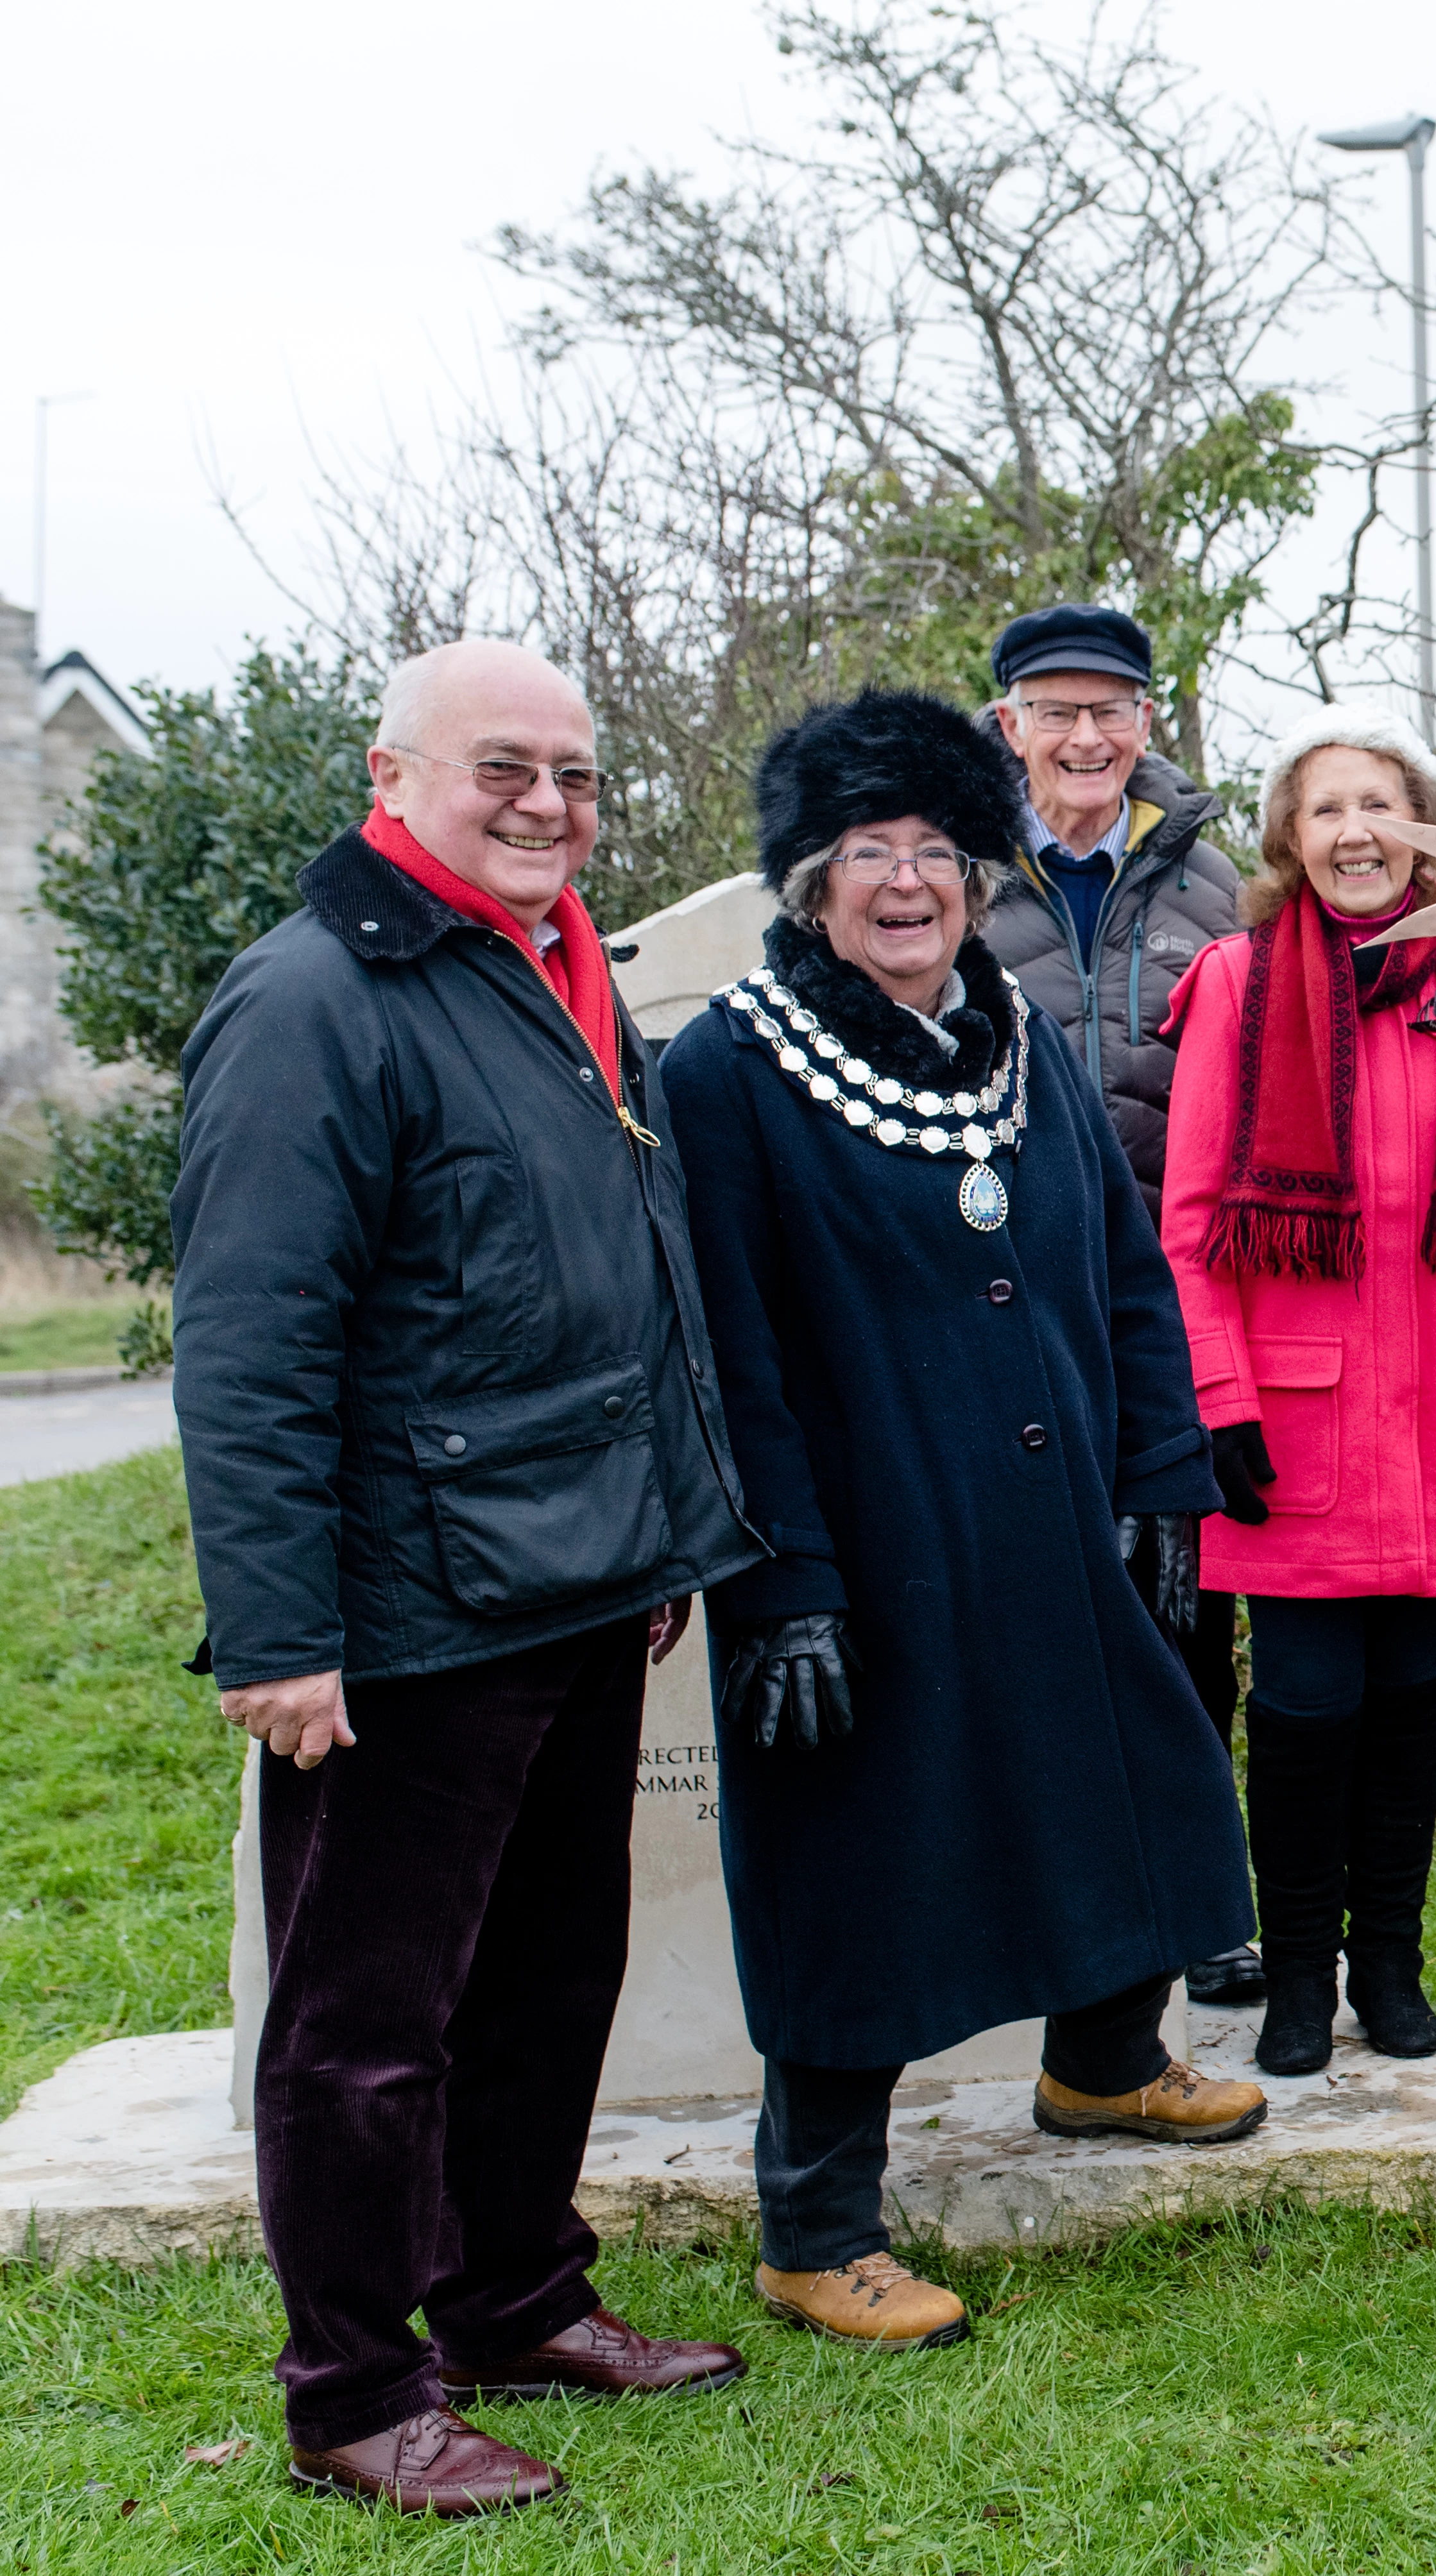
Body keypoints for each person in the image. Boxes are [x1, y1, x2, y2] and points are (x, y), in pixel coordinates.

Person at [173, 639, 762, 2516]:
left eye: (576, 777)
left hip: (584, 1580)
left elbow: (613, 1278)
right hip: (410, 1608)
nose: (549, 805)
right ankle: (356, 2394)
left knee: (545, 1979)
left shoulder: (555, 968)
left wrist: (664, 1534)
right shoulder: (317, 998)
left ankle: (512, 2297)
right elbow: (254, 1341)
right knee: (367, 2029)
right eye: (504, 767)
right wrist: (278, 1633)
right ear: (396, 774)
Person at [662, 688, 1265, 2353]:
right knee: (862, 1855)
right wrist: (784, 1580)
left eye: (938, 850)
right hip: (864, 1551)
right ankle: (817, 2226)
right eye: (873, 855)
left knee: (1120, 1777)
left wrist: (1160, 1473)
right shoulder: (726, 1071)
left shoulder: (1013, 1041)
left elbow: (1128, 1272)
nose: (911, 884)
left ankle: (1105, 2062)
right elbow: (732, 1350)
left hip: (1058, 1508)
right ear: (811, 881)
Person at [1157, 704, 1436, 2080]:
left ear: (1423, 835)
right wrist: (1217, 1400)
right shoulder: (1238, 983)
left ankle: (1390, 1966)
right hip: (1298, 1428)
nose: (1357, 834)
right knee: (1302, 1713)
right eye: (1329, 808)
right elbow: (1194, 1218)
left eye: (1384, 808)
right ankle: (1295, 1978)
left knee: (1412, 1701)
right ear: (1289, 833)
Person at [982, 603, 1261, 2002]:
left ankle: (1196, 1903)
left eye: (1112, 710)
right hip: (995, 1303)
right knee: (1019, 1611)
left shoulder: (1217, 887)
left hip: (1170, 1308)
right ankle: (1032, 1907)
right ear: (1008, 725)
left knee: (1184, 1618)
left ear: (1149, 723)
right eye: (1055, 711)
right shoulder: (947, 878)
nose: (1085, 737)